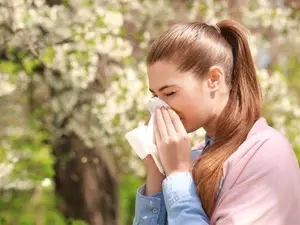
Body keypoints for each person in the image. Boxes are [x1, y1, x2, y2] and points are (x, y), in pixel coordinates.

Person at [132, 19, 300, 225]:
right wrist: (156, 171)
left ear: (214, 79)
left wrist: (177, 175)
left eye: (170, 93)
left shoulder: (265, 152)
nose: (160, 107)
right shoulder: (195, 156)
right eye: (155, 96)